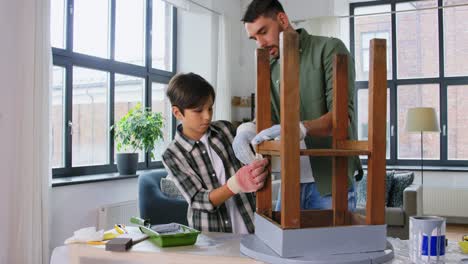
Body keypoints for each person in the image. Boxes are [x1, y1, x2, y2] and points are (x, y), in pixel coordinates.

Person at [234, 0, 363, 211]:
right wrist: (246, 130)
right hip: (290, 182)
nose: (260, 43)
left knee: (331, 246)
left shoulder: (329, 49)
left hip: (331, 182)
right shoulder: (270, 68)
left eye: (263, 32)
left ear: (282, 20)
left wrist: (301, 129)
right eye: (254, 38)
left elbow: (341, 118)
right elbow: (270, 122)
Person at [162, 72, 269, 234]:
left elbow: (252, 155)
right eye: (198, 111)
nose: (207, 116)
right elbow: (198, 200)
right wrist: (236, 184)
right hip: (212, 238)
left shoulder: (225, 130)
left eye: (210, 108)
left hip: (251, 228)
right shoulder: (172, 155)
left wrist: (248, 134)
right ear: (177, 113)